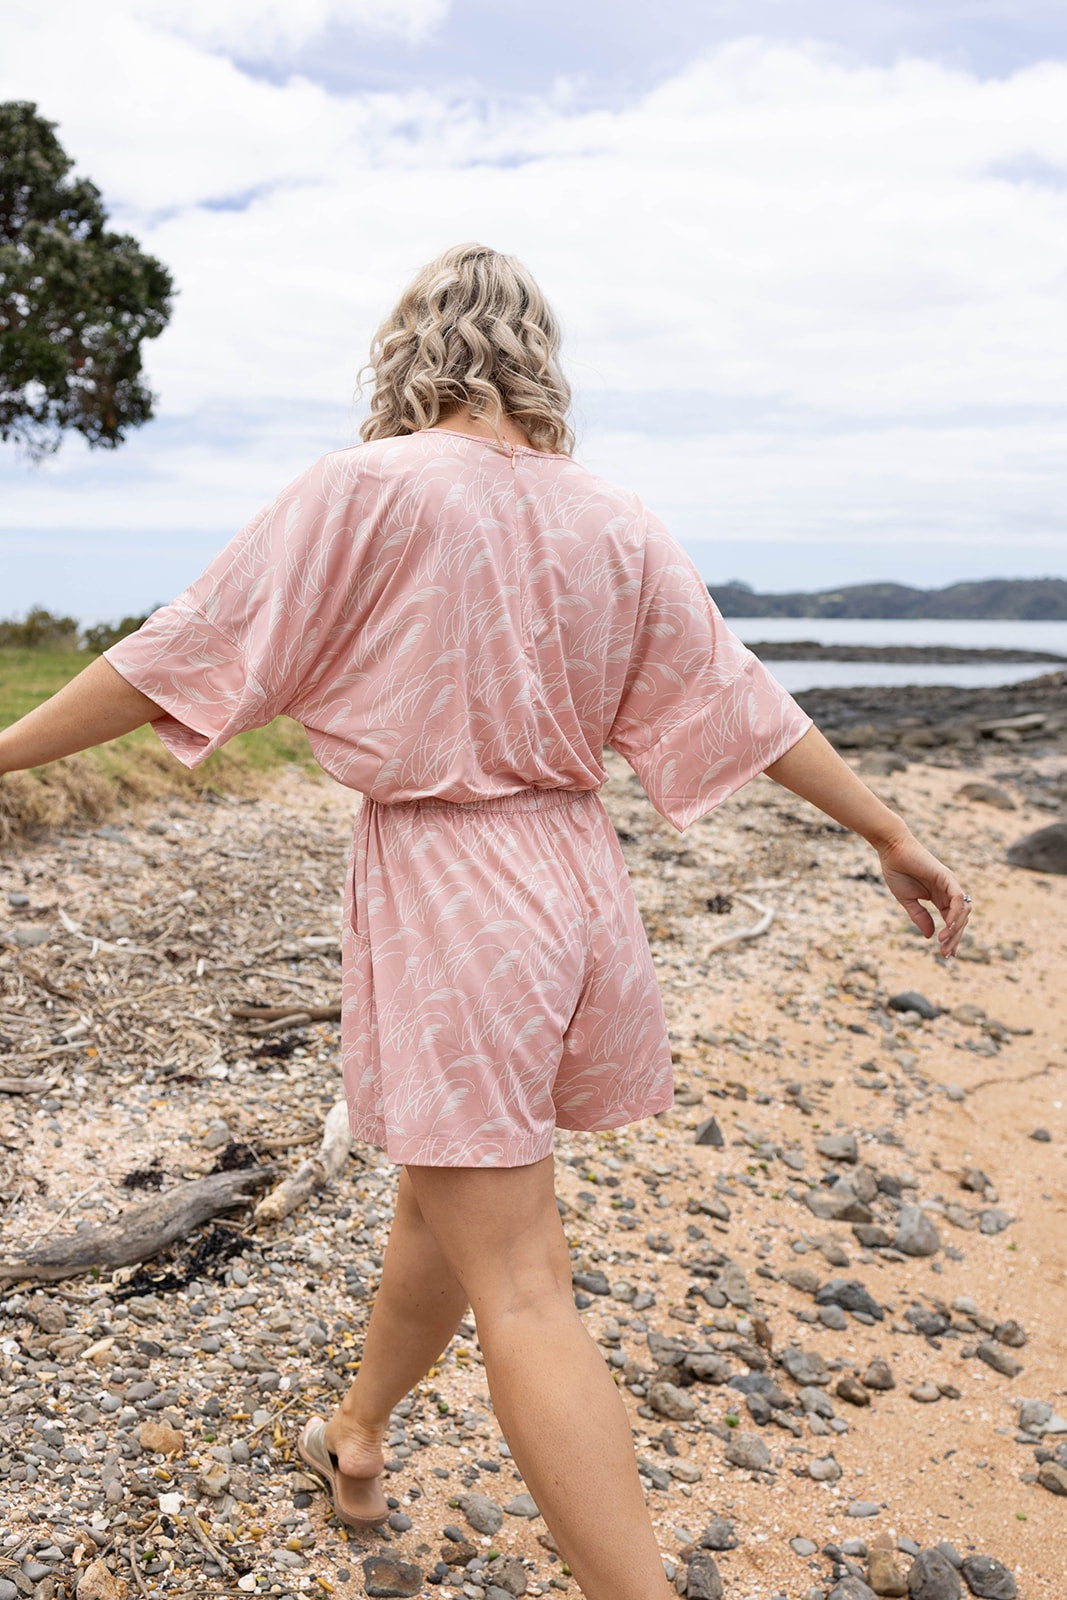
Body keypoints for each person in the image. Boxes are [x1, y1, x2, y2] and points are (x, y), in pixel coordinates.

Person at [0, 243, 971, 1600]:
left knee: (522, 1276)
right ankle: (356, 1436)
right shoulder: (613, 516)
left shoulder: (365, 489)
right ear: (534, 362)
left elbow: (181, 650)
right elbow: (736, 699)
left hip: (457, 891)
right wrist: (885, 828)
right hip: (576, 886)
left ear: (411, 352)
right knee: (446, 1200)